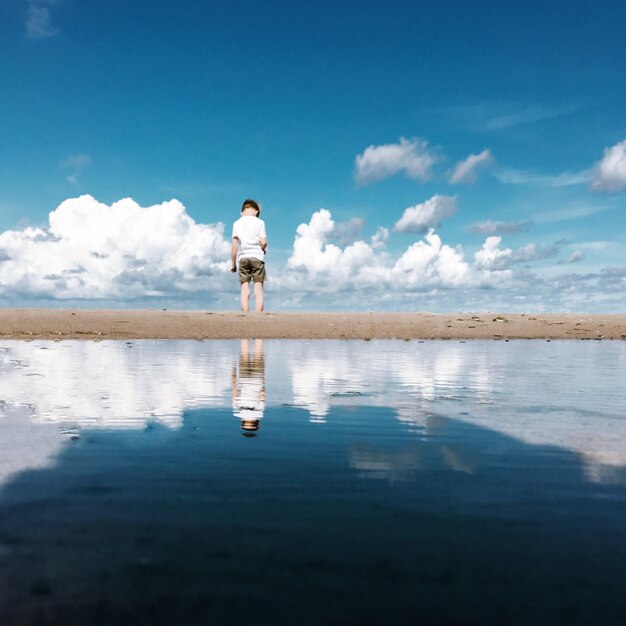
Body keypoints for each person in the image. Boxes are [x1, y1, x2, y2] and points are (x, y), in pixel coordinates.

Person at [231, 199, 267, 312]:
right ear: (256, 212)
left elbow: (234, 248)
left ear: (242, 212)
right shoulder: (260, 222)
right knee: (258, 287)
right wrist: (263, 249)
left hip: (243, 258)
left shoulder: (236, 223)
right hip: (257, 257)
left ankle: (245, 314)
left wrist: (233, 264)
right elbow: (264, 242)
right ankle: (258, 314)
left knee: (244, 288)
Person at [231, 338, 265, 436]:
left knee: (258, 353)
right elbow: (234, 391)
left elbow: (262, 394)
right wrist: (233, 374)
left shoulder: (259, 413)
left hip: (257, 380)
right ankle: (244, 335)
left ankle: (259, 334)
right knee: (244, 355)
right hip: (244, 380)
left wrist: (262, 381)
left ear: (257, 422)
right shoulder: (238, 412)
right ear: (242, 422)